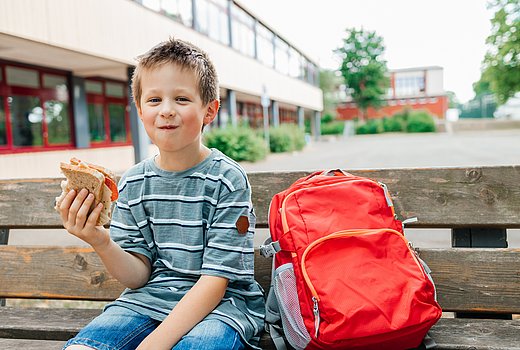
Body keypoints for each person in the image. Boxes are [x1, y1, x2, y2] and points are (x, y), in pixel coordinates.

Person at [57, 37, 265, 350]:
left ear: (210, 110)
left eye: (181, 99)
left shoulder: (226, 179)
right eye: (154, 100)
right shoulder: (132, 183)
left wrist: (153, 344)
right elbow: (138, 275)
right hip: (146, 301)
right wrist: (99, 239)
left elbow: (215, 283)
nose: (166, 110)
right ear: (140, 110)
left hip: (221, 307)